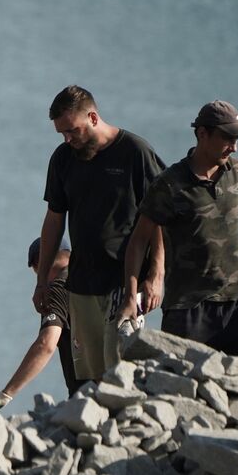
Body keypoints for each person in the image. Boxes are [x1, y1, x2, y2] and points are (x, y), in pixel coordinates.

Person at [118, 101, 238, 400]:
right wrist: (129, 296)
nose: (234, 148)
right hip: (190, 309)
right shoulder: (170, 185)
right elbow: (138, 241)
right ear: (202, 134)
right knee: (181, 395)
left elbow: (232, 237)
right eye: (228, 138)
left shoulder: (237, 173)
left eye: (237, 139)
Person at [36, 85, 165, 383]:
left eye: (72, 131)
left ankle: (127, 428)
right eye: (62, 134)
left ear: (93, 118)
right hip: (82, 284)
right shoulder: (63, 159)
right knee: (89, 378)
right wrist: (42, 280)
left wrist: (156, 274)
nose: (68, 139)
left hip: (124, 282)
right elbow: (54, 221)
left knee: (119, 372)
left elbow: (160, 217)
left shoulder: (135, 152)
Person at [0, 238, 79, 418]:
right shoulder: (90, 278)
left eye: (37, 272)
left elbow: (46, 344)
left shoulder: (58, 286)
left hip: (87, 395)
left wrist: (4, 395)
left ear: (40, 264)